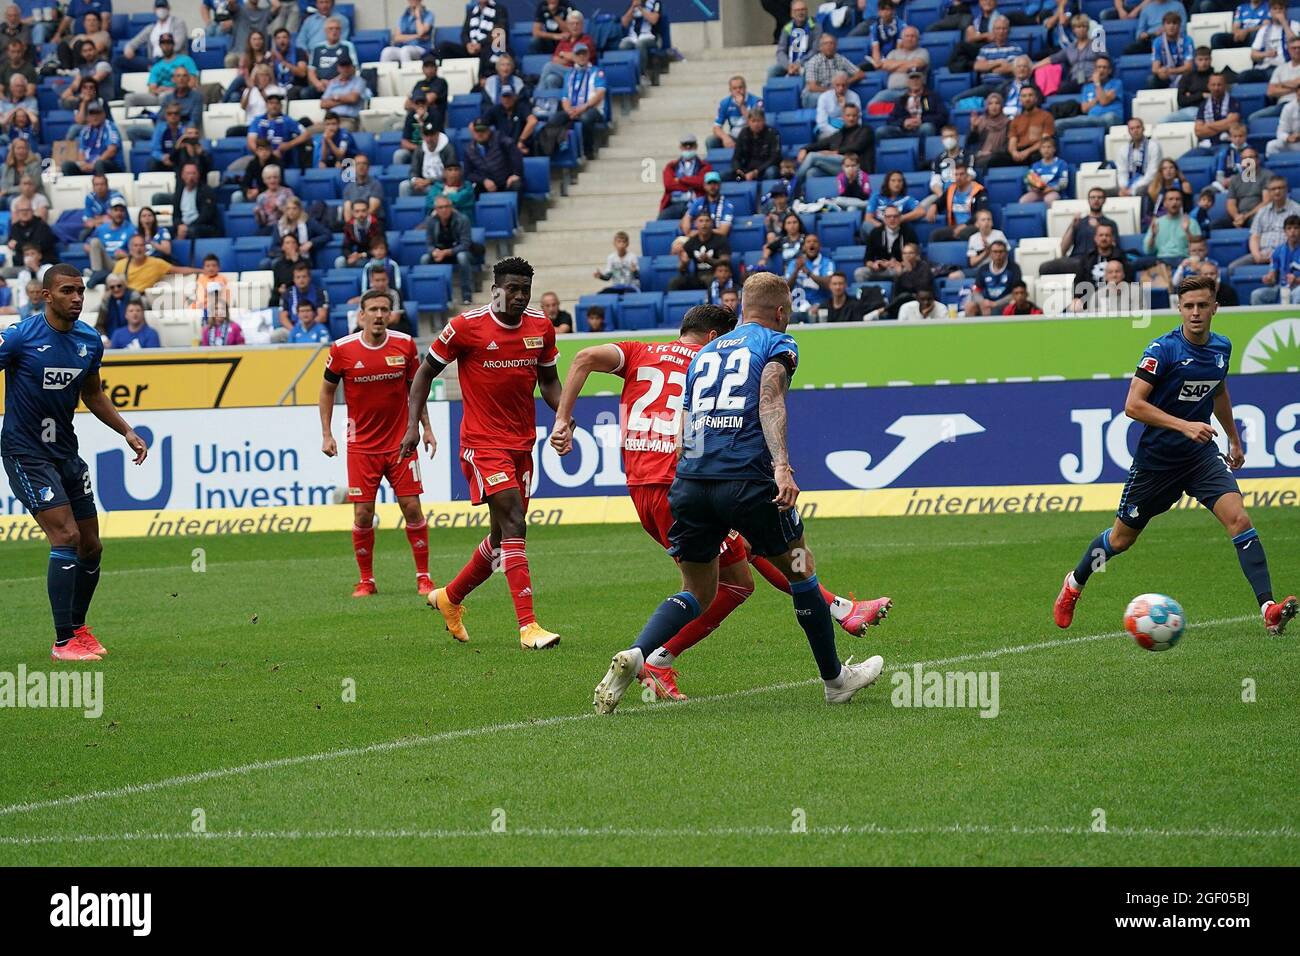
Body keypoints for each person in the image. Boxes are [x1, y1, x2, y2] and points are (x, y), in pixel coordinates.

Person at [548, 304, 887, 699]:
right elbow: (756, 407)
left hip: (644, 486)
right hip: (692, 479)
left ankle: (839, 608)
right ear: (714, 336)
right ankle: (658, 658)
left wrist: (561, 419)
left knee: (743, 558)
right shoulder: (713, 357)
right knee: (748, 575)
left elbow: (585, 356)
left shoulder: (643, 352)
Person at [1053, 273, 1296, 636]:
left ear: (1215, 307)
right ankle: (1074, 583)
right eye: (1188, 307)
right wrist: (1184, 425)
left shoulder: (1221, 348)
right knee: (1121, 540)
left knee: (1240, 521)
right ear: (1179, 309)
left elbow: (1219, 393)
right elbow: (1133, 406)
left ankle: (1269, 610)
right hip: (1157, 462)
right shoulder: (1162, 350)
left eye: (1202, 305)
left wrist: (1234, 439)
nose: (1195, 313)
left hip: (1199, 457)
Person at [399, 257, 564, 651]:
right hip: (482, 442)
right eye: (512, 288)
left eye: (525, 289)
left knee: (500, 537)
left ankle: (449, 598)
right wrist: (412, 425)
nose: (520, 296)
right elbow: (424, 373)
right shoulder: (465, 327)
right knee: (514, 520)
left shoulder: (541, 327)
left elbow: (550, 382)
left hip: (522, 442)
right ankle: (528, 627)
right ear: (496, 288)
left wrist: (564, 417)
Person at [0, 265, 145, 662]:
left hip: (66, 453)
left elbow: (93, 393)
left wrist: (126, 431)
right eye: (67, 291)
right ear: (46, 296)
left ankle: (79, 629)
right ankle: (63, 642)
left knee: (91, 546)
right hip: (25, 453)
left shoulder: (88, 340)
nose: (77, 298)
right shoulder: (18, 337)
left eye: (81, 291)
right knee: (65, 538)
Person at [424, 195, 475, 305]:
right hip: (440, 253)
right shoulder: (430, 221)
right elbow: (429, 244)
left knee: (462, 257)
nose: (444, 210)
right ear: (436, 210)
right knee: (425, 259)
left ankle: (467, 295)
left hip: (459, 253)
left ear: (451, 207)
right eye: (440, 207)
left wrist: (446, 252)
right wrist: (434, 251)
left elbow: (465, 244)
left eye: (447, 206)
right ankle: (434, 297)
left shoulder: (462, 219)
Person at [112, 234, 199, 295]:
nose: (138, 248)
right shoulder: (120, 264)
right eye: (135, 245)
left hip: (142, 298)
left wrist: (201, 270)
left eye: (141, 245)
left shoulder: (156, 263)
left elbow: (179, 270)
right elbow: (112, 284)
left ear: (146, 248)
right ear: (130, 249)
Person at [880, 70, 946, 140]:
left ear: (923, 81)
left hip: (922, 127)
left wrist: (921, 120)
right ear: (908, 82)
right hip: (903, 130)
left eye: (917, 79)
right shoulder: (901, 99)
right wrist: (904, 123)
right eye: (912, 79)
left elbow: (942, 116)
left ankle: (924, 150)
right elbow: (891, 120)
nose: (915, 81)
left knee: (927, 127)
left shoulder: (932, 97)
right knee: (881, 131)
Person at [1250, 213, 1300, 303]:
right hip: (1281, 288)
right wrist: (1269, 278)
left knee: (1298, 293)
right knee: (1256, 295)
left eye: (1296, 228)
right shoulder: (1278, 250)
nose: (1292, 231)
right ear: (1285, 231)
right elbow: (1273, 274)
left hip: (1298, 287)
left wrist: (1296, 280)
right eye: (1289, 228)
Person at [967, 240, 1022, 315]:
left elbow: (1016, 293)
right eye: (995, 252)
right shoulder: (983, 269)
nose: (998, 254)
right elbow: (976, 291)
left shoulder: (1014, 268)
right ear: (990, 253)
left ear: (1006, 253)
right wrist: (983, 302)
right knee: (970, 306)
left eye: (1001, 251)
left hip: (1004, 303)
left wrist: (995, 304)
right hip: (986, 303)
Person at [710, 75, 761, 150]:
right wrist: (725, 138)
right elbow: (716, 127)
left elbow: (755, 124)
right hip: (734, 137)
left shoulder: (756, 101)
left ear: (745, 88)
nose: (738, 90)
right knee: (711, 141)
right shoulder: (725, 103)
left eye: (740, 87)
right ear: (730, 90)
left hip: (752, 136)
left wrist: (741, 106)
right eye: (734, 88)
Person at [732, 107, 781, 182]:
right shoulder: (743, 133)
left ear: (764, 121)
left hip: (765, 168)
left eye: (759, 121)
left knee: (771, 172)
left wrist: (756, 171)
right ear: (748, 122)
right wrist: (738, 169)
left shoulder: (772, 133)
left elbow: (775, 158)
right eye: (753, 121)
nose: (756, 124)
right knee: (723, 176)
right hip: (747, 169)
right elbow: (736, 157)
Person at [1022, 136, 1069, 205]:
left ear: (1054, 149)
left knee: (1049, 200)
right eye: (1043, 147)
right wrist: (1033, 189)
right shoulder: (1035, 165)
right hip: (1038, 192)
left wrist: (1051, 188)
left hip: (1054, 192)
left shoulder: (1061, 164)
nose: (1046, 150)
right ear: (1040, 150)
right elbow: (1028, 183)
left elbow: (1063, 183)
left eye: (1049, 147)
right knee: (1024, 201)